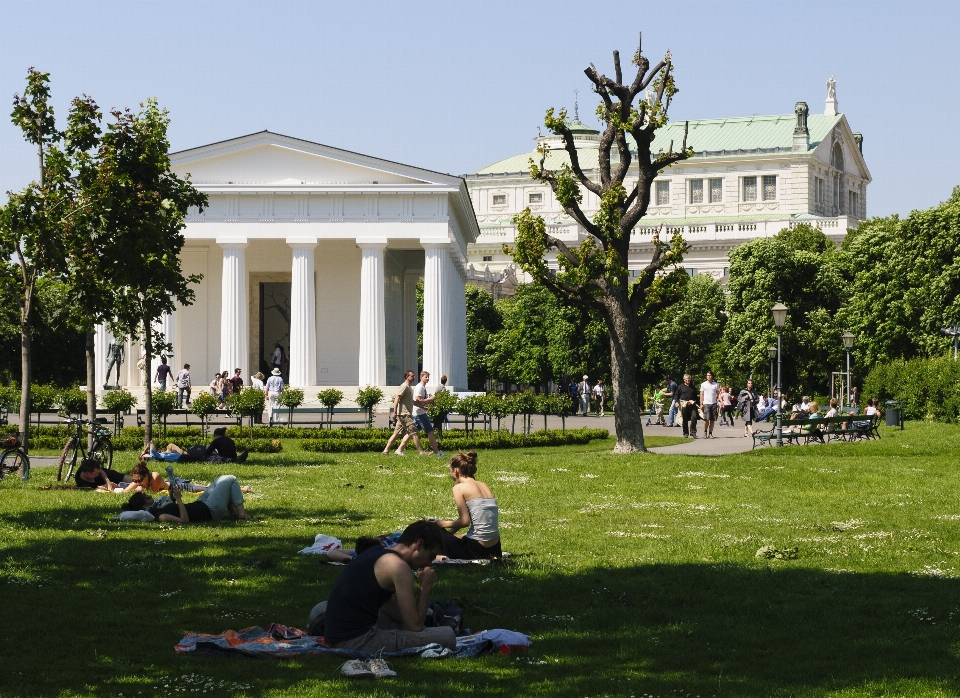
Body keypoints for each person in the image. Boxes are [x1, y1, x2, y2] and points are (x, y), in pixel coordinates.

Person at [320, 520, 455, 652]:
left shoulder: (378, 551)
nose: (429, 563)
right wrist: (424, 587)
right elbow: (415, 626)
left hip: (336, 633)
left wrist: (416, 621)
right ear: (418, 545)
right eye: (430, 556)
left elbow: (386, 605)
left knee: (408, 623)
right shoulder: (399, 568)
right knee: (447, 636)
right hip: (356, 640)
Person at [434, 452, 501, 561]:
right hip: (495, 548)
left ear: (456, 471)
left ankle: (437, 556)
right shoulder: (483, 485)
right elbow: (470, 517)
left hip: (475, 549)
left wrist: (441, 524)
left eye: (450, 470)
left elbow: (464, 521)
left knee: (431, 528)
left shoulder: (459, 488)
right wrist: (448, 534)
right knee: (446, 534)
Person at [119, 476, 252, 523]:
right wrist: (179, 499)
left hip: (200, 504)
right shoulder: (160, 516)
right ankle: (242, 514)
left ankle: (233, 513)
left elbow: (174, 508)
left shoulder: (159, 507)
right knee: (230, 479)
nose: (149, 496)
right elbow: (184, 520)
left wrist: (173, 496)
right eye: (146, 497)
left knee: (220, 480)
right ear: (143, 507)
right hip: (209, 511)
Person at [382, 370, 425, 456]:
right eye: (412, 376)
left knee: (396, 434)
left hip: (404, 414)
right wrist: (394, 412)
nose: (414, 377)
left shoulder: (409, 387)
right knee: (414, 432)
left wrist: (422, 406)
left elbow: (411, 401)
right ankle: (421, 452)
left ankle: (386, 451)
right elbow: (397, 399)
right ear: (407, 377)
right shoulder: (404, 386)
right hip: (404, 414)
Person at [412, 371, 444, 456]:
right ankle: (437, 452)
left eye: (428, 377)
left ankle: (399, 449)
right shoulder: (420, 387)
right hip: (419, 414)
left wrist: (425, 406)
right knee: (430, 431)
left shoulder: (422, 387)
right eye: (426, 377)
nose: (427, 378)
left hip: (418, 412)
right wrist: (430, 400)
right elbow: (418, 400)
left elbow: (419, 402)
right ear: (421, 377)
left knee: (412, 433)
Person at [676, 373, 699, 438]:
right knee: (685, 419)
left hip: (692, 405)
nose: (688, 380)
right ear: (684, 380)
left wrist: (696, 403)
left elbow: (696, 397)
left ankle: (693, 432)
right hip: (684, 405)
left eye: (689, 379)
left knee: (694, 417)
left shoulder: (693, 387)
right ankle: (685, 433)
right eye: (686, 379)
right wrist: (676, 402)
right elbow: (676, 395)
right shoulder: (680, 386)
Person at [699, 371, 719, 438]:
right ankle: (705, 431)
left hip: (713, 403)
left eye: (710, 375)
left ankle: (710, 433)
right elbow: (701, 394)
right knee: (706, 419)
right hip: (706, 403)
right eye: (707, 375)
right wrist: (701, 404)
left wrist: (719, 401)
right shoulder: (703, 384)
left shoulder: (715, 384)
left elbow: (718, 393)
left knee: (712, 420)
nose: (709, 376)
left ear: (712, 376)